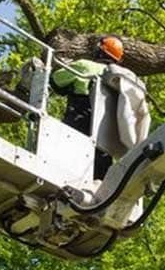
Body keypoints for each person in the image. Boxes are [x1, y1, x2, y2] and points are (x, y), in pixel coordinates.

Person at [51, 35, 126, 178]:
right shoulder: (122, 81)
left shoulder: (85, 66)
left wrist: (66, 66)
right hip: (104, 146)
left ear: (99, 51)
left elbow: (55, 81)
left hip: (76, 131)